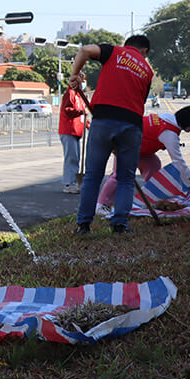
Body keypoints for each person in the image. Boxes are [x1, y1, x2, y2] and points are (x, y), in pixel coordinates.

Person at [69, 35, 154, 235]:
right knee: (125, 177)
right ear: (144, 52)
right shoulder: (147, 71)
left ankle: (83, 225)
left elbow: (84, 51)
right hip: (132, 124)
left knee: (93, 176)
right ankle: (120, 224)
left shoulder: (113, 51)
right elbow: (139, 99)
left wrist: (75, 74)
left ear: (128, 46)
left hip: (103, 119)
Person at [94, 106, 190, 215]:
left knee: (153, 165)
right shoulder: (169, 133)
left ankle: (155, 198)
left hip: (140, 150)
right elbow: (178, 161)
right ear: (189, 124)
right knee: (119, 175)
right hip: (126, 145)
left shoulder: (166, 118)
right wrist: (189, 180)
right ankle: (102, 205)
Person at [58, 81, 88, 193]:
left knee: (75, 158)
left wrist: (89, 124)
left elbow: (83, 115)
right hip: (68, 130)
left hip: (76, 131)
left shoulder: (79, 96)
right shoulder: (70, 93)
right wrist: (81, 112)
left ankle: (73, 182)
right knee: (71, 158)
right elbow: (67, 110)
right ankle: (69, 183)